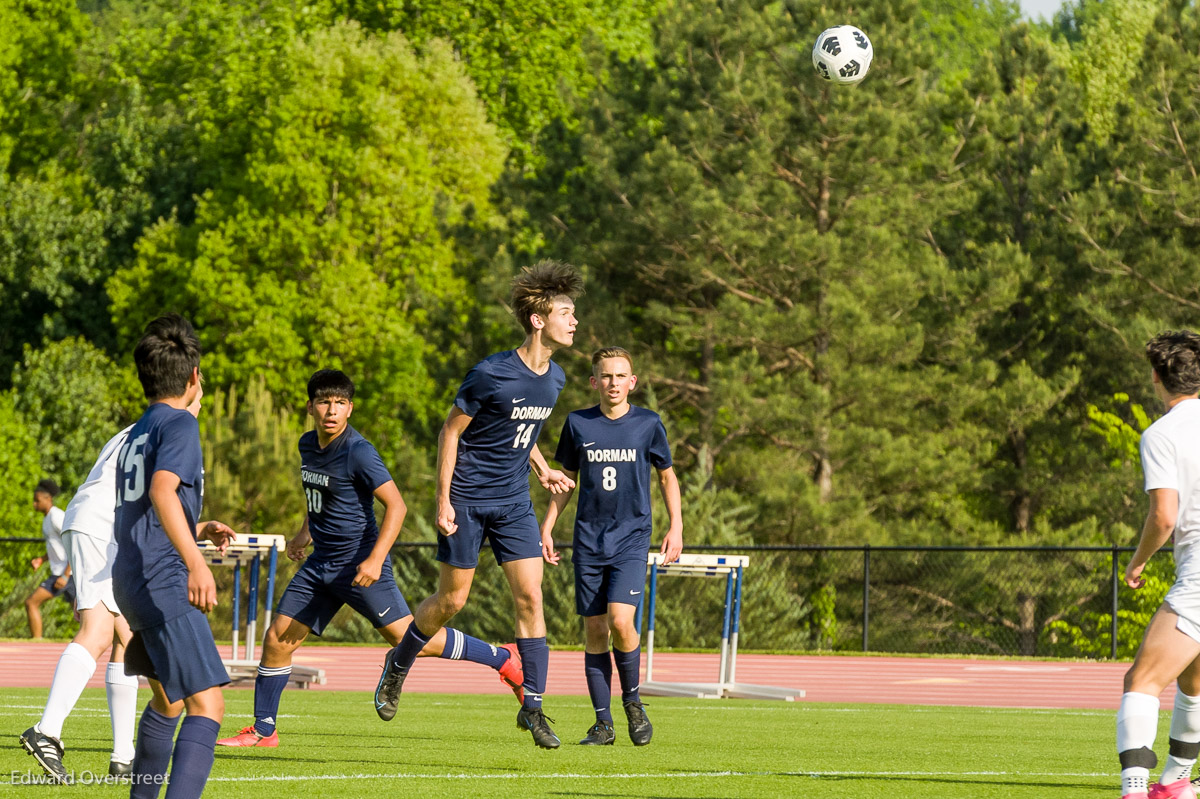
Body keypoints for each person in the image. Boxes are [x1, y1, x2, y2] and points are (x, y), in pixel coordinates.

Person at [217, 369, 524, 748]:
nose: (332, 410)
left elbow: (397, 506)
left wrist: (376, 559)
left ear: (350, 408)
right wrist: (303, 534)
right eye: (325, 402)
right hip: (320, 565)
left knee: (411, 638)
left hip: (360, 563)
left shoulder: (358, 451)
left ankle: (501, 657)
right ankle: (264, 730)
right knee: (278, 638)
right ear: (311, 406)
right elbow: (320, 496)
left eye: (340, 403)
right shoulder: (307, 445)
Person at [375, 260, 584, 749]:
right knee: (452, 601)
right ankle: (399, 662)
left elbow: (521, 431)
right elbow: (451, 431)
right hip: (467, 499)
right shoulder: (490, 372)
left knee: (531, 598)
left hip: (513, 502)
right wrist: (443, 499)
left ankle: (532, 707)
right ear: (538, 320)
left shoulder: (555, 379)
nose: (574, 322)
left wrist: (542, 467)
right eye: (566, 313)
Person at [113, 313, 237, 799]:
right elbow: (164, 490)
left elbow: (143, 504)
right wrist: (196, 561)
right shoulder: (181, 424)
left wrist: (195, 528)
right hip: (163, 580)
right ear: (193, 377)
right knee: (208, 707)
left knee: (168, 701)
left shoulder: (139, 429)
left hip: (132, 578)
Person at [540, 347, 683, 746]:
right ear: (594, 382)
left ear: (632, 382)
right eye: (606, 376)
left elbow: (667, 478)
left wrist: (677, 527)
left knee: (621, 621)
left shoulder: (648, 424)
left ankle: (633, 703)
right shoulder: (578, 423)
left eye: (621, 376)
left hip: (632, 539)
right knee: (595, 630)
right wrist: (547, 526)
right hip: (588, 541)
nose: (614, 383)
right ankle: (603, 724)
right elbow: (565, 481)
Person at [19, 426, 141, 784]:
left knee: (127, 638)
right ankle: (47, 730)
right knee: (99, 630)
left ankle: (123, 757)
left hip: (99, 528)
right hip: (102, 530)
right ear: (191, 380)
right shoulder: (172, 425)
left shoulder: (135, 427)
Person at [1117, 329, 1200, 799]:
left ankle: (1133, 790)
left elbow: (1164, 516)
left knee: (1142, 680)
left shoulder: (1162, 434)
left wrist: (1137, 562)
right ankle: (1174, 784)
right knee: (1193, 679)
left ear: (1155, 378)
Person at [25, 479, 74, 639]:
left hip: (67, 574)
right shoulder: (47, 519)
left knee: (31, 602)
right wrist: (42, 559)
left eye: (37, 500)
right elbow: (58, 547)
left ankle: (37, 642)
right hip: (62, 573)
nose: (34, 504)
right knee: (85, 613)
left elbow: (74, 542)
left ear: (48, 499)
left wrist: (66, 575)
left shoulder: (56, 516)